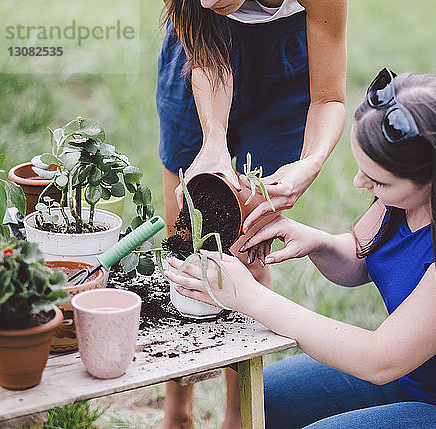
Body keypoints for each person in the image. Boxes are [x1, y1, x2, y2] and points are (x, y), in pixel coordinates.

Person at [164, 70, 436, 428]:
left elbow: (379, 360)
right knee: (272, 396)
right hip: (420, 379)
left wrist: (250, 296)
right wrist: (316, 242)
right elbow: (359, 254)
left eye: (377, 179)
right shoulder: (402, 202)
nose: (359, 183)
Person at [156, 0, 347, 427]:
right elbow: (207, 50)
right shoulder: (199, 8)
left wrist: (310, 161)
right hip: (198, 56)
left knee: (245, 250)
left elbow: (330, 96)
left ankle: (239, 414)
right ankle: (176, 412)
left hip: (282, 64)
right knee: (186, 245)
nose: (207, 1)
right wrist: (213, 141)